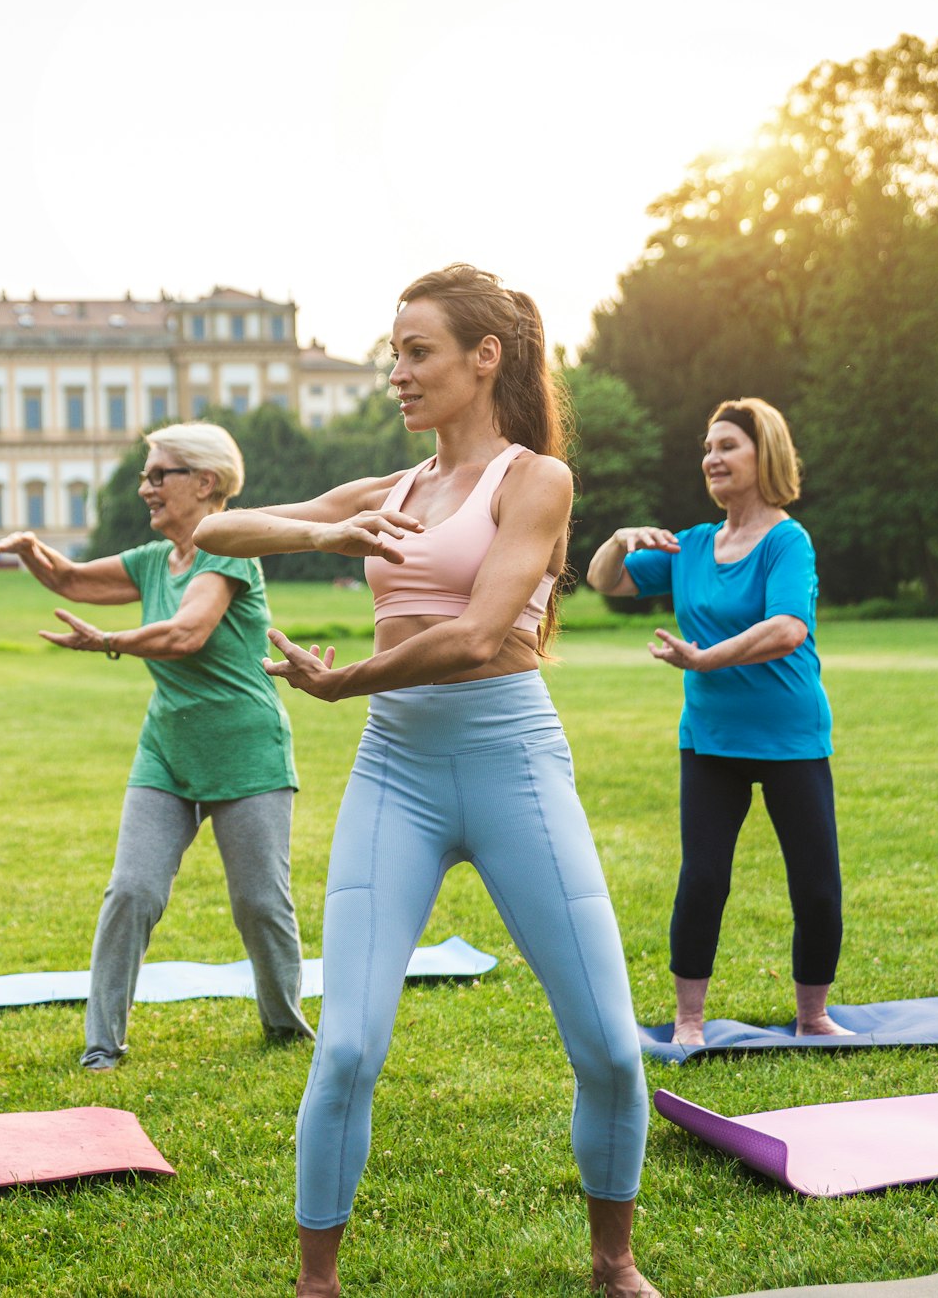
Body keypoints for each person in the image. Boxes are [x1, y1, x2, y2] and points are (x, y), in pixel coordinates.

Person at [196, 265, 657, 1298]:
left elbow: (483, 633)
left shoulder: (533, 479)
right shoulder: (391, 491)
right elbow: (213, 532)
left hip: (509, 762)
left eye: (416, 352)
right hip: (395, 770)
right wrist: (326, 531)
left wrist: (346, 678)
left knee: (611, 1050)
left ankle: (612, 1264)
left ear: (481, 358)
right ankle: (316, 1285)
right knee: (348, 1045)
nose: (395, 374)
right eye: (392, 353)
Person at [0, 423, 311, 1072]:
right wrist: (30, 549)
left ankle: (284, 1022)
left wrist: (110, 640)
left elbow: (188, 632)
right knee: (131, 889)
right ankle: (102, 1043)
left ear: (205, 482)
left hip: (244, 746)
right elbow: (74, 579)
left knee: (259, 902)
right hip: (167, 745)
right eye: (146, 475)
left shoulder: (230, 551)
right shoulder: (151, 562)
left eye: (159, 475)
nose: (146, 488)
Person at [585, 398, 849, 1046]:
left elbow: (788, 628)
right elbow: (605, 582)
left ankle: (813, 1015)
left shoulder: (789, 541)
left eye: (728, 445)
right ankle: (689, 1020)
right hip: (711, 739)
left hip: (790, 736)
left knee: (815, 884)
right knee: (703, 876)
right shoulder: (692, 545)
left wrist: (705, 657)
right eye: (707, 447)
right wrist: (621, 539)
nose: (712, 457)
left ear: (766, 455)